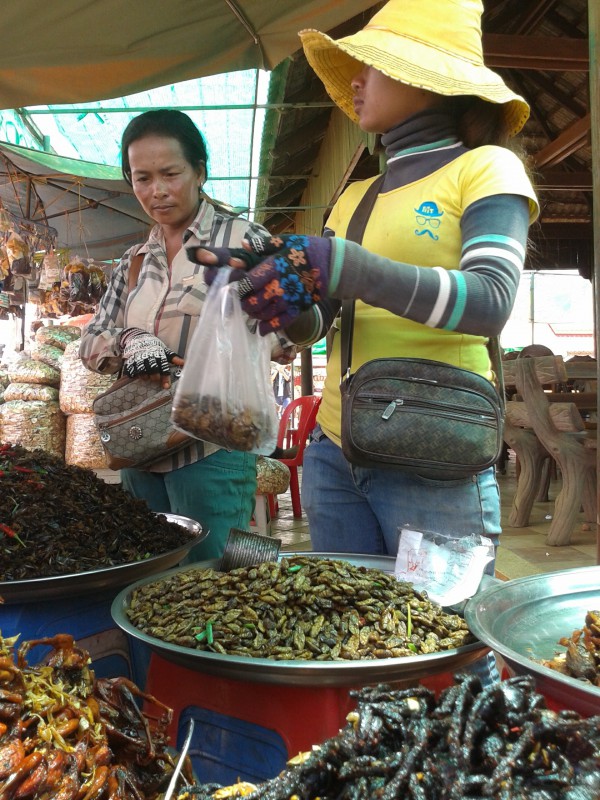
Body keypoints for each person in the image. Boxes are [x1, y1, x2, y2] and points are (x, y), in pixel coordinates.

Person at [188, 1, 538, 576]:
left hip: (436, 461)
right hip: (334, 456)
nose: (355, 80)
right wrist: (275, 294)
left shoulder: (485, 169)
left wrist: (345, 265)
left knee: (436, 648)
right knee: (353, 641)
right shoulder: (355, 196)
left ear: (424, 77)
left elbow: (491, 300)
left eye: (371, 66)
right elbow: (323, 323)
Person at [79, 109, 292, 562]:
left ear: (199, 171)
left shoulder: (244, 239)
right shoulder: (135, 260)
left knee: (213, 579)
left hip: (214, 451)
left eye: (170, 173)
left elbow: (290, 337)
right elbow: (93, 337)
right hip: (143, 449)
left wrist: (235, 332)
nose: (157, 191)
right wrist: (129, 340)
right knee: (148, 579)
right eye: (142, 178)